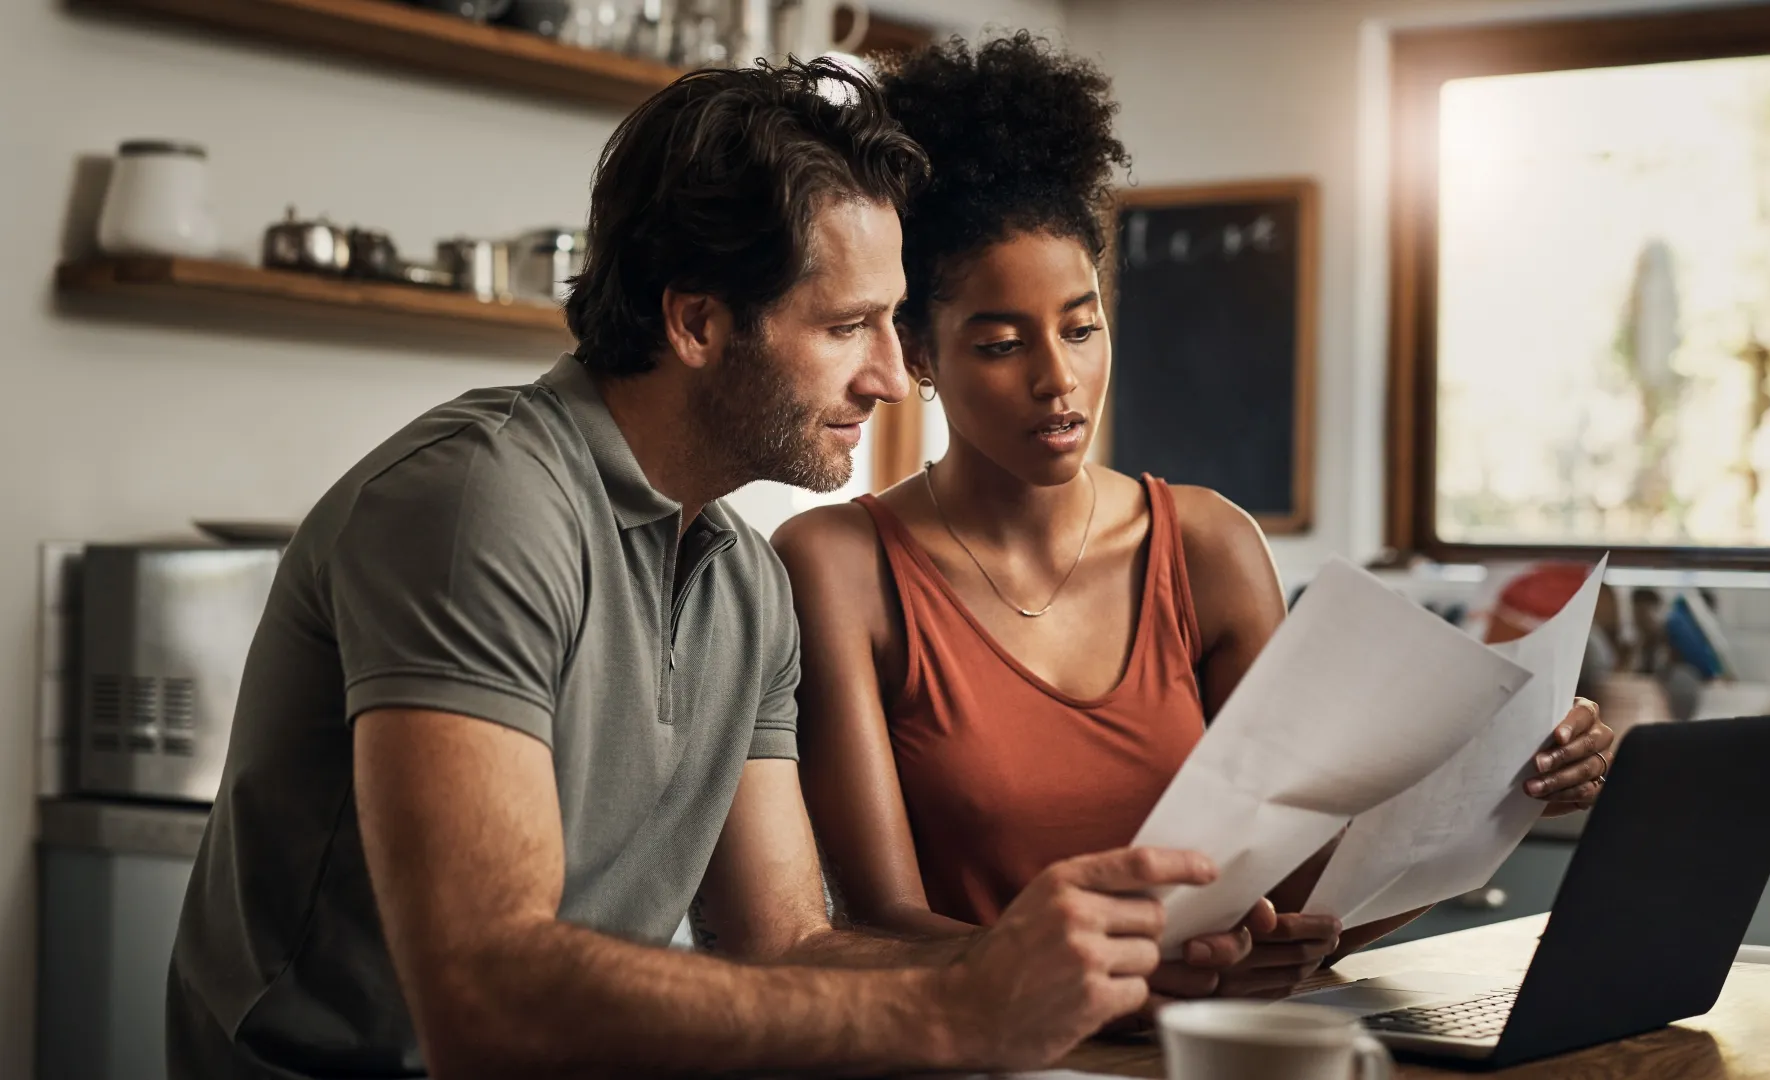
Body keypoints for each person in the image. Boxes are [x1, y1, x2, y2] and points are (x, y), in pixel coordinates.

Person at [166, 59, 1261, 1080]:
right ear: (696, 320)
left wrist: (1051, 967)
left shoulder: (742, 579)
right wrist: (954, 1013)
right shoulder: (481, 506)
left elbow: (783, 944)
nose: (890, 377)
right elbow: (480, 996)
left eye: (893, 326)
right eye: (848, 327)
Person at [773, 35, 1617, 1004]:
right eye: (1002, 343)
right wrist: (1135, 979)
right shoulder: (838, 565)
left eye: (1083, 328)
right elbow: (880, 922)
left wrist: (1510, 785)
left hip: (1208, 1048)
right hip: (987, 1055)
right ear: (916, 351)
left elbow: (1302, 888)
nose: (1060, 380)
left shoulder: (1207, 547)